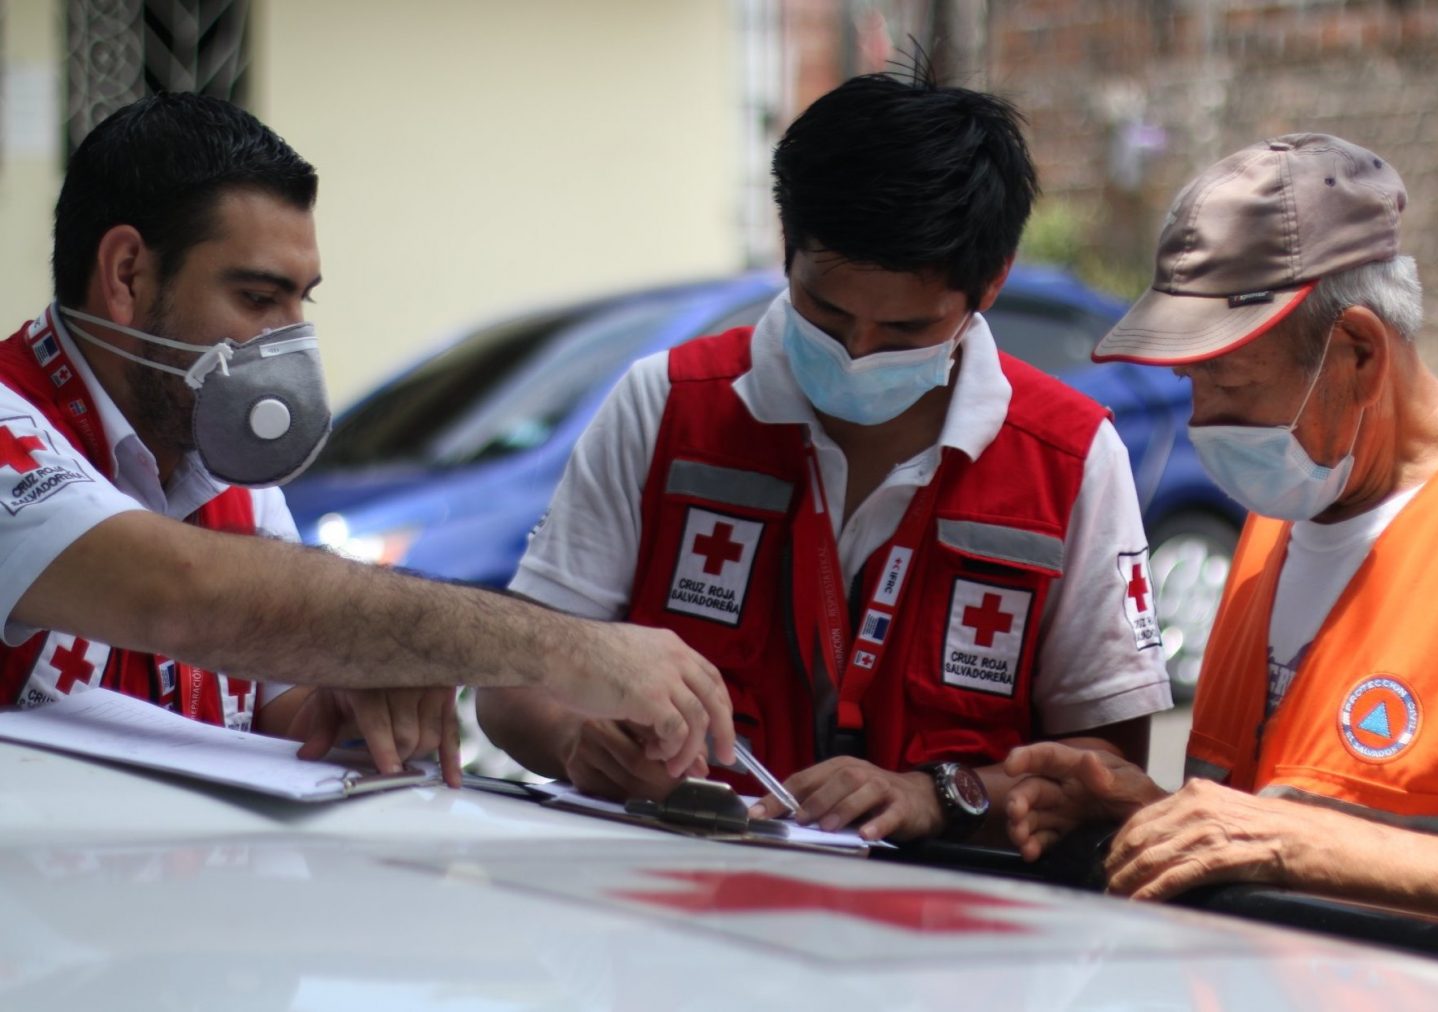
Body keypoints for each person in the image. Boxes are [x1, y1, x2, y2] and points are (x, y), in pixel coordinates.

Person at [477, 66, 1171, 842]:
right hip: (674, 885)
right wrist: (575, 740)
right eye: (825, 312)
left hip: (942, 908)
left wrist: (939, 795)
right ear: (788, 248)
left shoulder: (1070, 459)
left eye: (905, 330)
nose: (857, 352)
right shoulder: (667, 405)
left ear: (991, 285)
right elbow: (512, 683)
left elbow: (1107, 770)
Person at [2, 92, 735, 788]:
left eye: (301, 301)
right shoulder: (12, 424)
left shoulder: (224, 468)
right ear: (127, 276)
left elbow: (275, 712)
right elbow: (184, 594)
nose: (290, 342)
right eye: (257, 298)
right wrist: (568, 650)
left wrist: (350, 711)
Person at [1003, 133, 1438, 931]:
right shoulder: (1279, 518)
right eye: (1191, 382)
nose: (1203, 419)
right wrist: (1153, 817)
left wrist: (1290, 844)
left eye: (1230, 382)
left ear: (1359, 352)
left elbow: (1287, 838)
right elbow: (1269, 815)